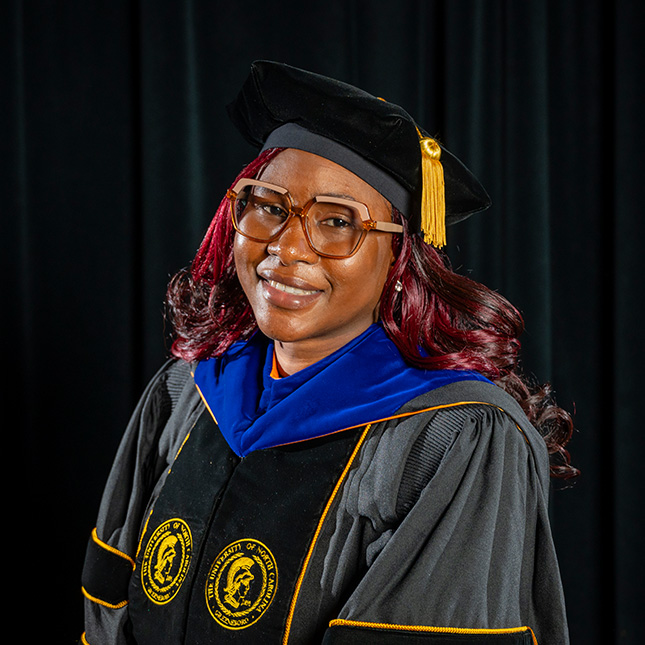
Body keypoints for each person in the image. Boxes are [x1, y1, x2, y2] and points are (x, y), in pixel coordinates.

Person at [80, 60, 576, 645]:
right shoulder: (187, 391)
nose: (287, 247)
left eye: (337, 222)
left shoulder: (451, 438)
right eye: (267, 205)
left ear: (398, 260)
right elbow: (111, 600)